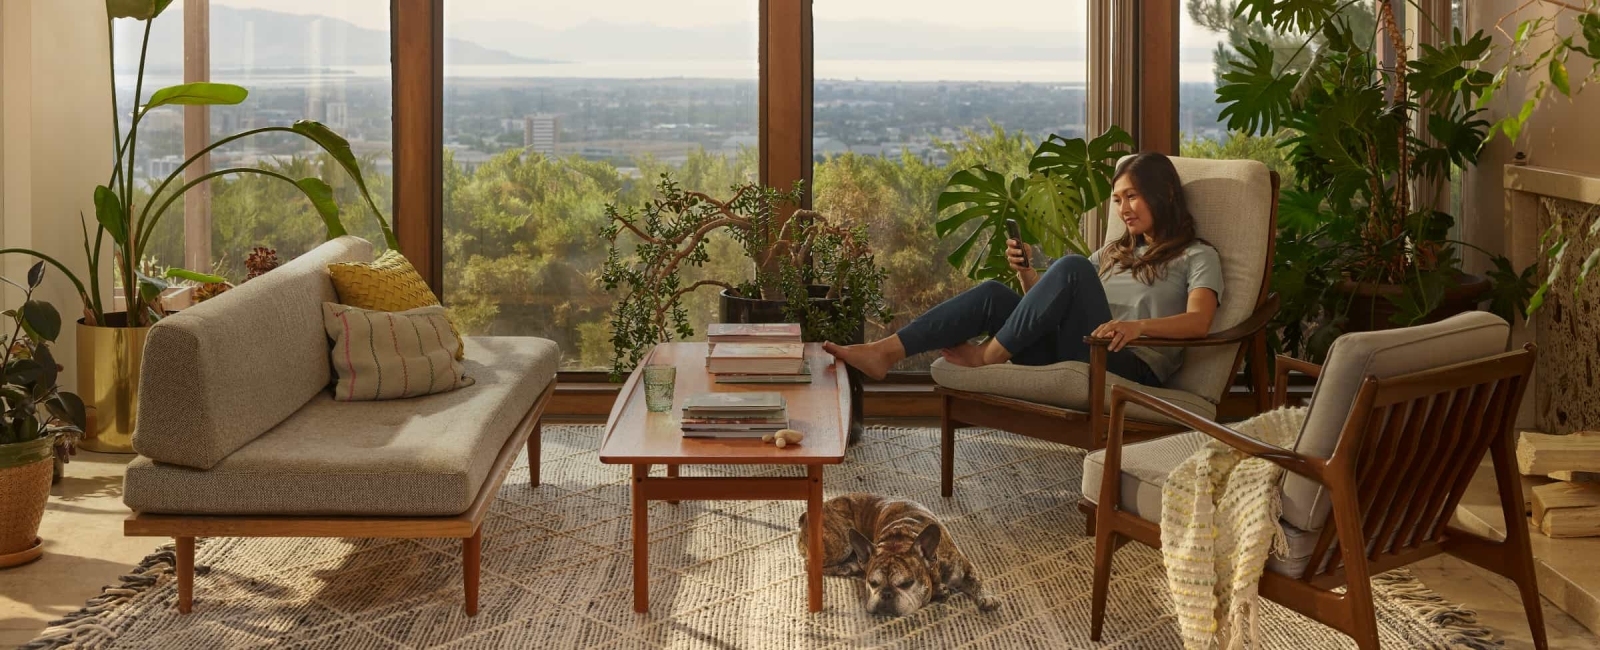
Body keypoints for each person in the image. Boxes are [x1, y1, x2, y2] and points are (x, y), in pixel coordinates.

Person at [823, 152, 1223, 387]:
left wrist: (1137, 328)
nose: (1123, 210)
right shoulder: (1113, 252)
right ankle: (884, 352)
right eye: (1117, 200)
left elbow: (1198, 322)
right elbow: (1050, 306)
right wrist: (1027, 274)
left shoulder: (1196, 255)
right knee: (995, 294)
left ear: (1164, 194)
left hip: (1128, 364)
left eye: (1132, 196)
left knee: (1069, 268)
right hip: (1080, 348)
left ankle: (985, 358)